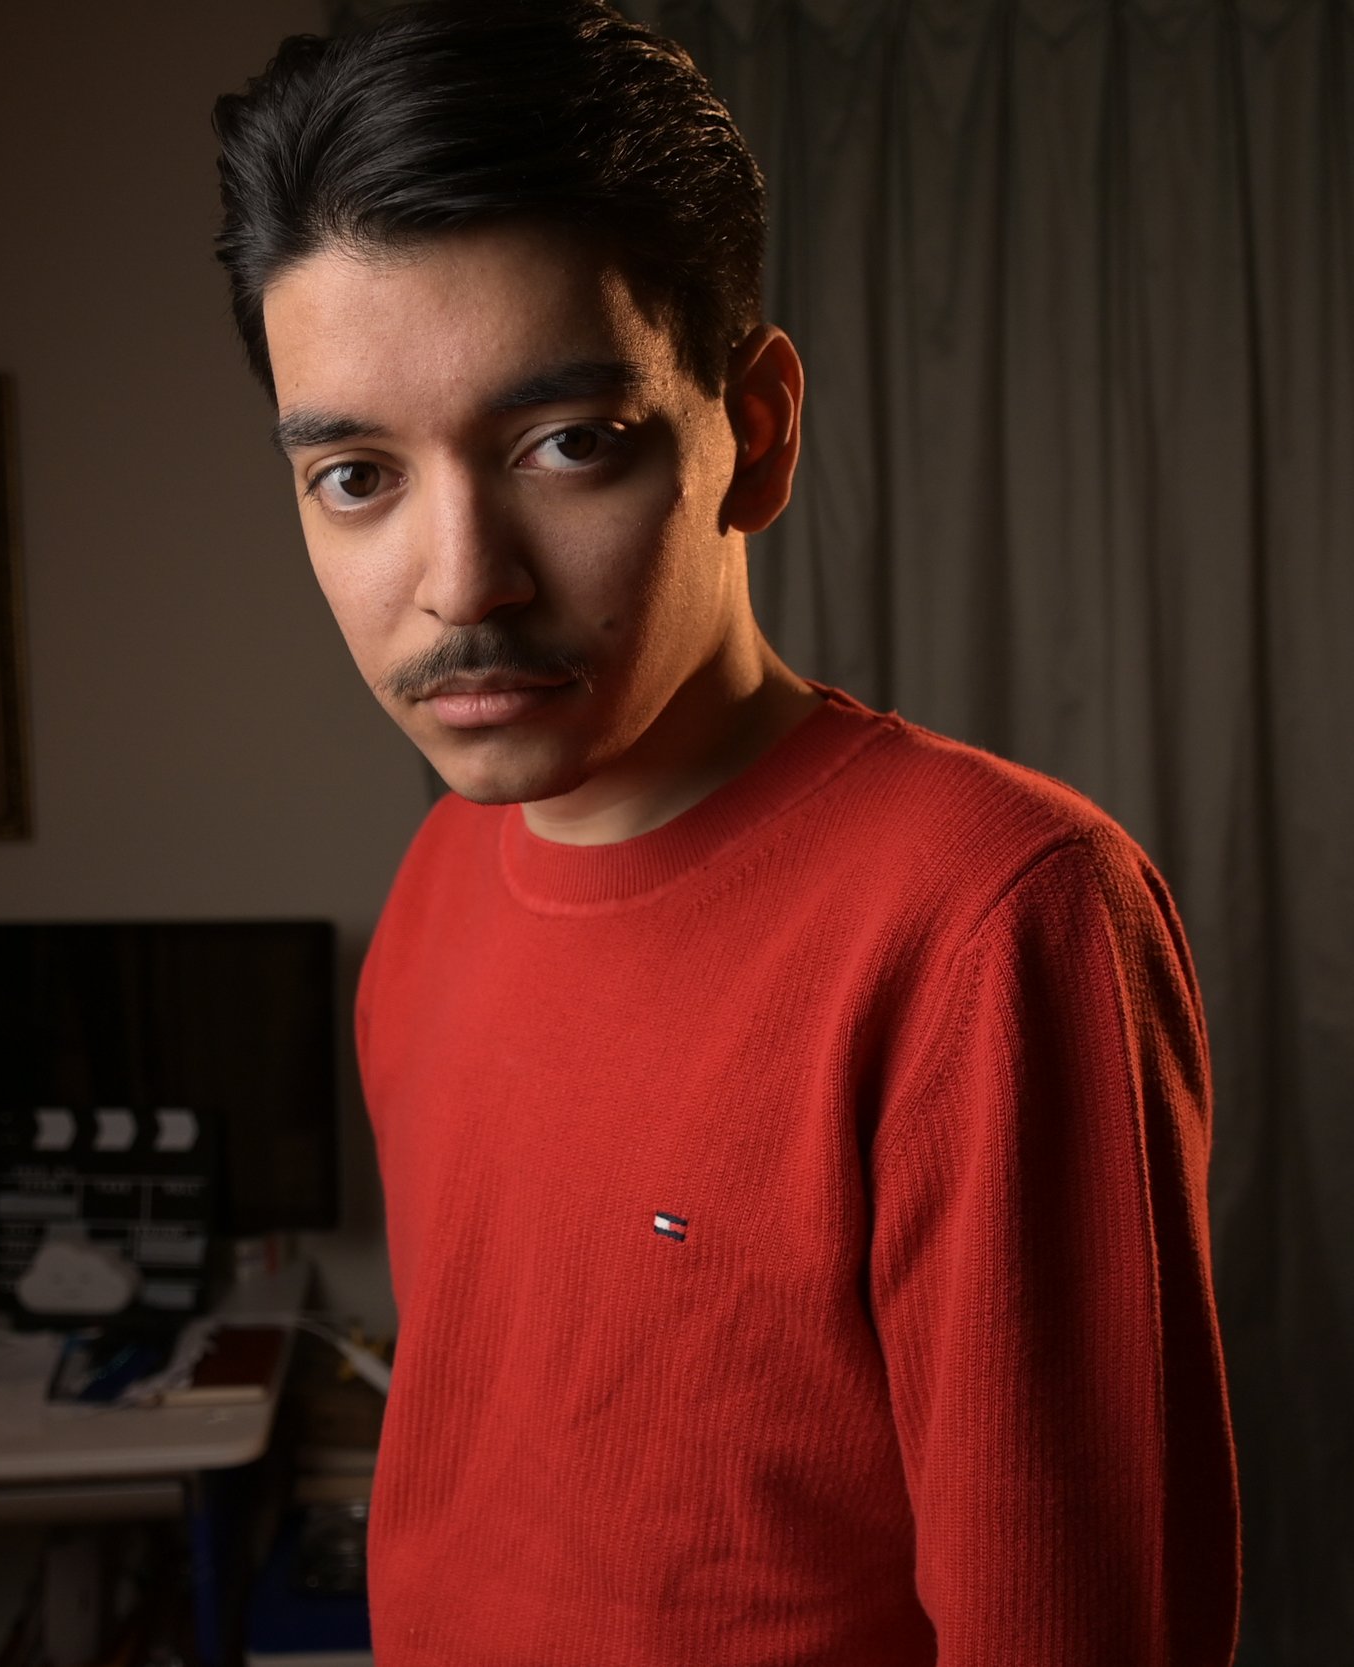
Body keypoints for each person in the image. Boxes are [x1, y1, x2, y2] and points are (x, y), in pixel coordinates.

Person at [213, 4, 1240, 1662]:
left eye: (565, 445)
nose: (462, 581)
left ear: (750, 432)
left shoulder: (998, 922)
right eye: (357, 475)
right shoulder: (436, 883)